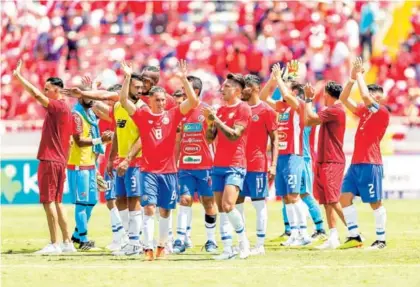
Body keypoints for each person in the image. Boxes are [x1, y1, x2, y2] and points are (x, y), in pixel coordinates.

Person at [120, 59, 199, 261]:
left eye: (163, 100)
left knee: (165, 211)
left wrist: (183, 79)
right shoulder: (143, 115)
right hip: (148, 172)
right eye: (158, 100)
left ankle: (162, 245)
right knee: (149, 208)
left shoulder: (173, 115)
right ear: (151, 100)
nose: (161, 103)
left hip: (170, 173)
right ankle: (147, 247)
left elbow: (193, 102)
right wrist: (127, 77)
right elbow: (123, 102)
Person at [13, 60, 76, 254]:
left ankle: (54, 244)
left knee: (48, 202)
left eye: (48, 88)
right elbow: (72, 141)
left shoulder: (56, 107)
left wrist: (20, 77)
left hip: (50, 160)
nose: (45, 91)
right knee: (57, 202)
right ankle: (67, 243)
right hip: (60, 161)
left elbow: (35, 95)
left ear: (57, 90)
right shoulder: (67, 110)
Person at [339, 57, 390, 249]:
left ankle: (381, 240)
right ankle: (354, 236)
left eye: (369, 93)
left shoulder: (382, 111)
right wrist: (352, 79)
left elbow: (365, 97)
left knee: (375, 203)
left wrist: (360, 74)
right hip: (356, 163)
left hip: (371, 163)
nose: (364, 96)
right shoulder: (364, 112)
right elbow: (344, 99)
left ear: (378, 96)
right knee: (344, 197)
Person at [261, 64, 311, 247]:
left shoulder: (298, 105)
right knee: (286, 197)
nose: (282, 91)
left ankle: (304, 233)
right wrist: (273, 80)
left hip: (293, 155)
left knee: (294, 195)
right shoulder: (280, 107)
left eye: (285, 87)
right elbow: (263, 97)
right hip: (281, 156)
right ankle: (294, 233)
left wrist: (280, 80)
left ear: (295, 92)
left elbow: (289, 96)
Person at [203, 73, 252, 260]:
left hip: (235, 164)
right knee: (221, 208)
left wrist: (216, 119)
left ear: (237, 91)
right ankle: (227, 249)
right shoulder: (221, 110)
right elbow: (209, 138)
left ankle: (243, 242)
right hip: (219, 165)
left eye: (227, 86)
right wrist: (210, 122)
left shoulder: (243, 108)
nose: (222, 89)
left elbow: (234, 135)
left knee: (228, 204)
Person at [173, 76, 218, 254]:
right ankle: (180, 239)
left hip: (206, 166)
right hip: (185, 167)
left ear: (196, 91)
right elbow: (178, 141)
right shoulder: (180, 112)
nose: (183, 91)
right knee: (184, 200)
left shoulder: (207, 110)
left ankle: (211, 240)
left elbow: (211, 137)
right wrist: (175, 162)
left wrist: (210, 122)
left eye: (186, 88)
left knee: (208, 202)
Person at [235, 74, 278, 255]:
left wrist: (274, 164)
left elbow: (275, 139)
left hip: (257, 165)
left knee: (259, 204)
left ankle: (260, 244)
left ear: (253, 89)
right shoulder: (239, 109)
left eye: (243, 87)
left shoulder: (266, 110)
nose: (240, 91)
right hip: (237, 164)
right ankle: (242, 241)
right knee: (236, 204)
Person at [303, 81, 347, 250]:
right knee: (328, 201)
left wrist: (308, 99)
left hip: (332, 160)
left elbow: (310, 119)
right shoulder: (332, 110)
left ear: (327, 94)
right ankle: (333, 236)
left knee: (333, 200)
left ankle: (354, 231)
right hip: (324, 159)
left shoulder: (335, 110)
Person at [67, 95, 112, 250]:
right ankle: (84, 239)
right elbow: (79, 141)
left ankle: (77, 235)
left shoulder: (90, 113)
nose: (92, 99)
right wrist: (101, 140)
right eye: (87, 96)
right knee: (81, 203)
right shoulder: (76, 116)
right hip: (79, 166)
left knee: (91, 202)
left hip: (91, 165)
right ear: (79, 98)